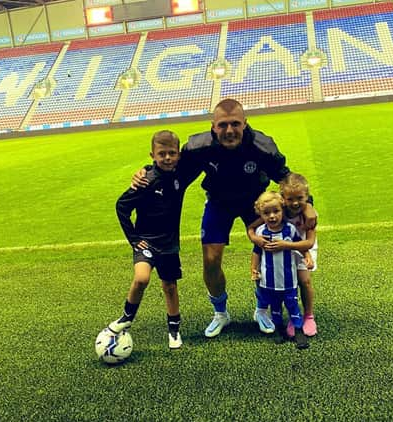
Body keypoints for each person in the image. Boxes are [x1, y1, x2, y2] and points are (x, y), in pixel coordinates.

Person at [132, 99, 317, 338]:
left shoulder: (263, 146)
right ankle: (220, 313)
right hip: (219, 202)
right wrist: (146, 171)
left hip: (256, 203)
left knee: (270, 253)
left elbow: (285, 176)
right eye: (222, 125)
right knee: (210, 259)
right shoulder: (198, 147)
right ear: (213, 126)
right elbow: (172, 171)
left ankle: (262, 310)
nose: (229, 131)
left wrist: (308, 204)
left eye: (235, 124)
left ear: (245, 123)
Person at [108, 130, 190, 349]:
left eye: (172, 153)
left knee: (170, 286)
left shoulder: (181, 176)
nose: (167, 158)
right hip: (146, 241)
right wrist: (134, 239)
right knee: (141, 279)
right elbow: (122, 206)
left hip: (169, 244)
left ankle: (174, 330)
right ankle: (126, 318)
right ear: (152, 155)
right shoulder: (146, 180)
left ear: (178, 155)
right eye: (161, 153)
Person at [248, 173, 318, 338]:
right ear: (283, 198)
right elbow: (252, 227)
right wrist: (254, 237)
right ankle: (281, 316)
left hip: (300, 247)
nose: (295, 203)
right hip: (282, 251)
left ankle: (308, 316)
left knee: (304, 280)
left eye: (300, 198)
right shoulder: (279, 210)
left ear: (307, 197)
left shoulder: (310, 215)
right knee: (277, 279)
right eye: (290, 199)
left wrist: (286, 245)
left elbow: (308, 242)